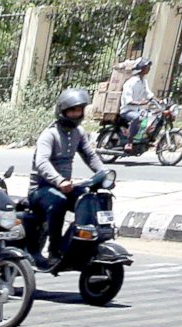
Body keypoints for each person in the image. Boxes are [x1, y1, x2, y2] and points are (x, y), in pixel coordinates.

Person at [30, 87, 107, 267]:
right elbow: (42, 163)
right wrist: (59, 180)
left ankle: (81, 244)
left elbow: (90, 155)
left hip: (66, 187)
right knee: (58, 202)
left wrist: (103, 173)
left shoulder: (78, 133)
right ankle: (54, 251)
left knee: (89, 198)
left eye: (79, 110)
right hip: (41, 189)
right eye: (72, 110)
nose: (76, 114)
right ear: (63, 111)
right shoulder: (50, 135)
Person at [120, 58, 156, 147]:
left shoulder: (144, 81)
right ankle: (130, 142)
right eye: (147, 67)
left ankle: (144, 138)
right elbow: (128, 101)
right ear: (141, 68)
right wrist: (140, 103)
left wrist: (159, 100)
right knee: (136, 117)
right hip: (127, 111)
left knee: (151, 116)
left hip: (137, 109)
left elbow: (148, 94)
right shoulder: (130, 83)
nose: (149, 69)